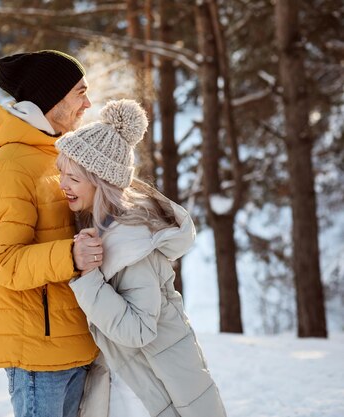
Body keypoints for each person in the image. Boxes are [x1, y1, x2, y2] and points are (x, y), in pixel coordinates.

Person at [55, 99, 227, 417]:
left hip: (150, 395)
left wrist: (86, 277)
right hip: (133, 383)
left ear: (100, 182)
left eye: (73, 178)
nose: (62, 184)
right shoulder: (104, 229)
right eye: (61, 172)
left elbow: (138, 331)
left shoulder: (132, 243)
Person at [0, 50, 103, 417]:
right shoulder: (10, 167)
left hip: (69, 343)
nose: (88, 103)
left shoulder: (51, 157)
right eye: (80, 92)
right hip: (38, 352)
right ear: (52, 98)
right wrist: (71, 256)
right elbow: (4, 262)